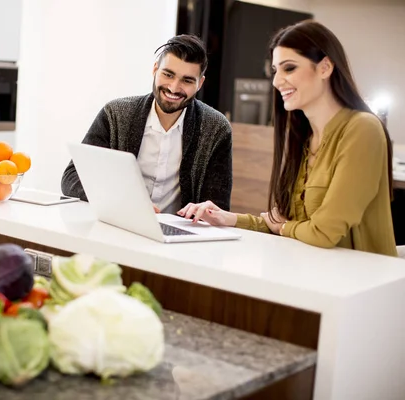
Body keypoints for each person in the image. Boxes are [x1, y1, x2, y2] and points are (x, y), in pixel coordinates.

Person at [178, 20, 397, 257]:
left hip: (359, 282)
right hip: (310, 271)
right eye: (275, 70)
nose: (276, 81)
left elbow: (323, 233)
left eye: (289, 68)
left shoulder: (363, 130)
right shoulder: (304, 138)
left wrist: (283, 227)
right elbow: (284, 224)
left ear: (325, 67)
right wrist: (226, 218)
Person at [61, 34, 233, 213]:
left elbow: (217, 206)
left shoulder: (216, 129)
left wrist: (207, 212)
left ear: (200, 84)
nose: (174, 88)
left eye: (187, 80)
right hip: (119, 222)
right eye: (168, 74)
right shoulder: (116, 114)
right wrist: (121, 202)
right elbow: (72, 178)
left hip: (176, 235)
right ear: (155, 70)